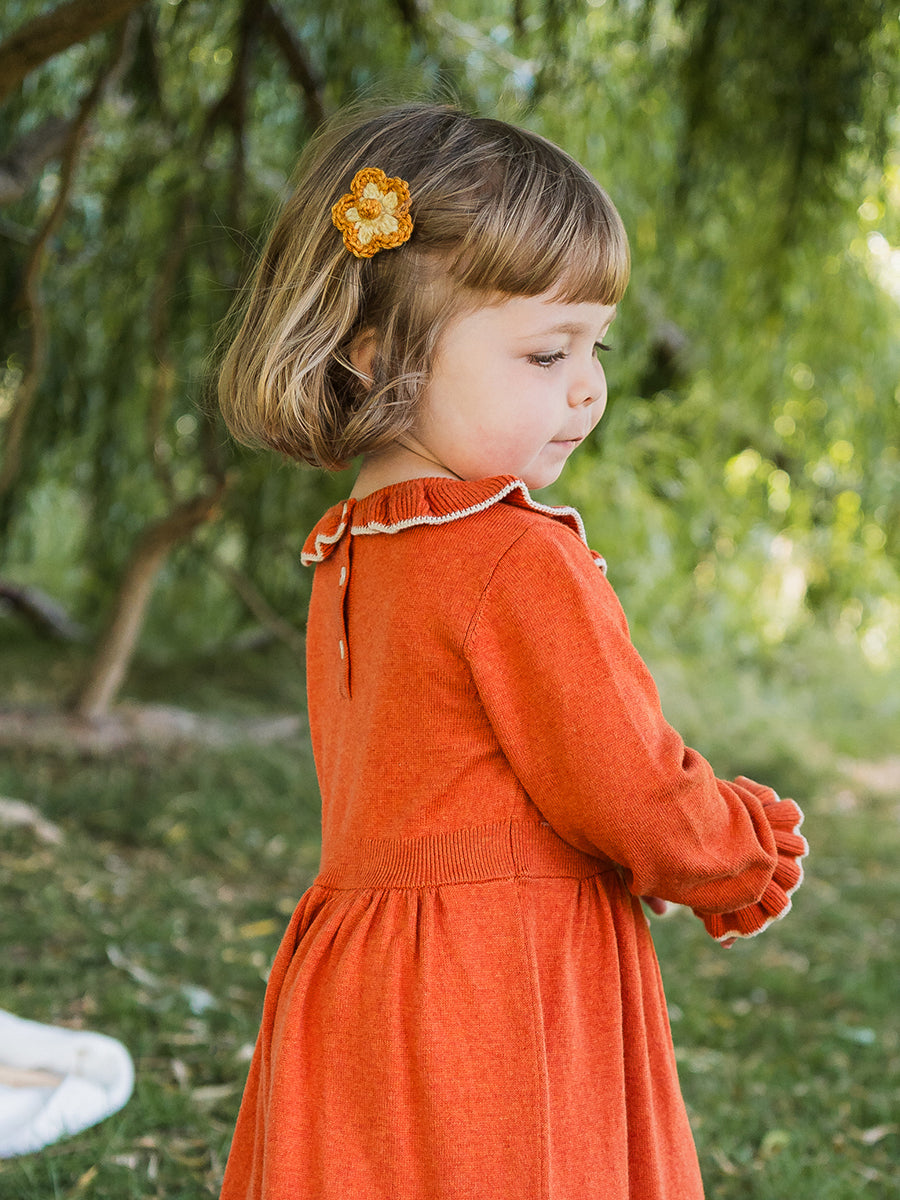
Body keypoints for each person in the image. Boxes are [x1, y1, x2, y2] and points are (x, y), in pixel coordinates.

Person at [216, 102, 808, 1200]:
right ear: (378, 354)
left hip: (362, 970)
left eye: (596, 347)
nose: (588, 387)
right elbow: (629, 786)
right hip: (499, 986)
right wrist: (736, 852)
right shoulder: (512, 554)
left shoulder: (352, 549)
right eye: (547, 351)